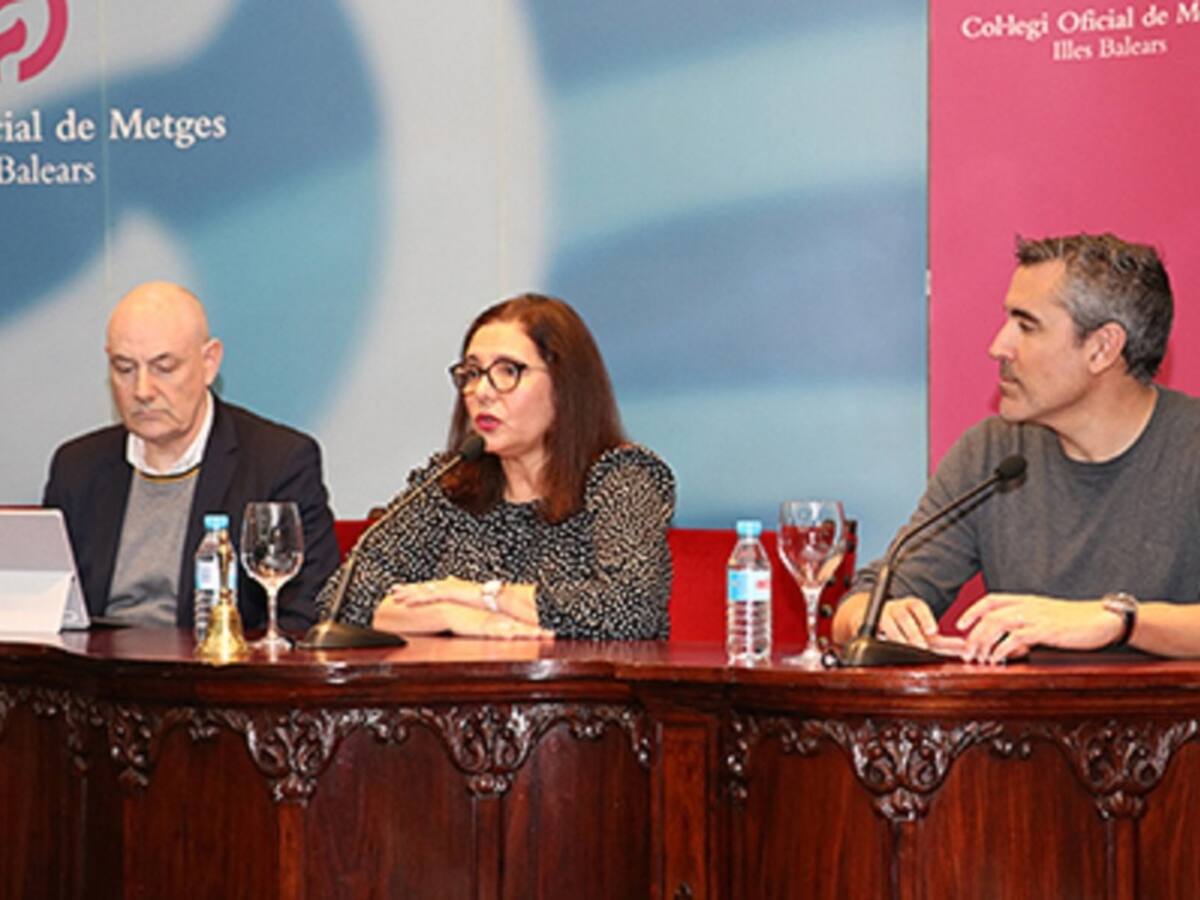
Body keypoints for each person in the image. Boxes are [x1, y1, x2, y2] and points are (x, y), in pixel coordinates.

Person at [833, 232, 1200, 662]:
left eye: (1027, 326)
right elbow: (857, 607)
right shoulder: (994, 455)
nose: (998, 347)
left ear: (1102, 348)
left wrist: (1119, 620)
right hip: (1024, 707)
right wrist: (880, 616)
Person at [316, 293, 675, 640]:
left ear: (565, 385)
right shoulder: (448, 486)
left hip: (574, 683)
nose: (482, 392)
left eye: (508, 371)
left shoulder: (621, 477)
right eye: (472, 373)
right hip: (453, 682)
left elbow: (632, 609)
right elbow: (342, 600)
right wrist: (452, 616)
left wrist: (484, 595)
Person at [42, 281, 339, 631]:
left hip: (217, 663)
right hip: (95, 665)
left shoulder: (278, 462)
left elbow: (306, 613)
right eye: (124, 368)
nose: (142, 391)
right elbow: (48, 610)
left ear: (209, 362)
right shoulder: (77, 467)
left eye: (164, 368)